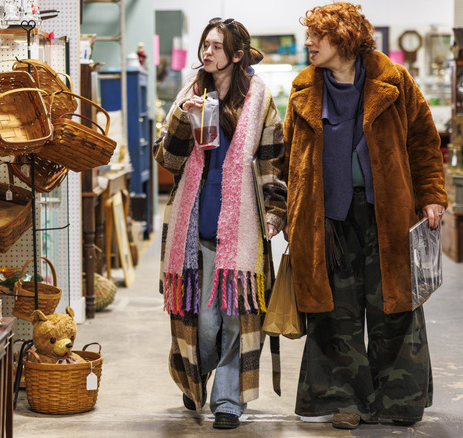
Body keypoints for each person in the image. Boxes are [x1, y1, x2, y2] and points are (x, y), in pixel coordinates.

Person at [282, 2, 447, 430]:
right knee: (336, 311)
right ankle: (345, 401)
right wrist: (285, 211)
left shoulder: (394, 82)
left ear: (343, 38)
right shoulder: (303, 90)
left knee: (394, 303)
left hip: (387, 214)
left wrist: (432, 196)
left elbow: (424, 143)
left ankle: (399, 400)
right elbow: (287, 161)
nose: (309, 43)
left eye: (317, 36)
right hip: (328, 220)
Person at [153, 17, 287, 430]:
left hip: (242, 231)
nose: (207, 53)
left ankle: (228, 400)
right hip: (195, 231)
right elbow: (167, 160)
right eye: (204, 45)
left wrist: (275, 210)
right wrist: (181, 118)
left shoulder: (259, 98)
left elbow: (272, 160)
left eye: (216, 46)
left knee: (237, 319)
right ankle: (194, 371)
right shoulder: (191, 93)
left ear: (237, 53)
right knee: (204, 323)